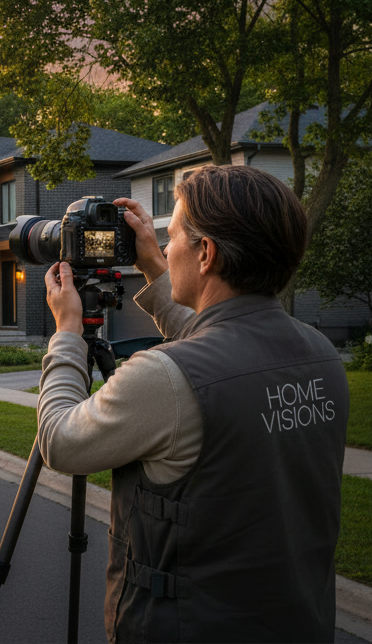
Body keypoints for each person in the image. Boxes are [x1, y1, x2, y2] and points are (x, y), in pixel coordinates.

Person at [37, 165, 349, 643]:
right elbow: (223, 343)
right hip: (297, 621)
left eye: (174, 237)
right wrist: (153, 269)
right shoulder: (319, 355)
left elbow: (61, 441)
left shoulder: (163, 376)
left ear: (206, 253)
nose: (165, 248)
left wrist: (66, 335)